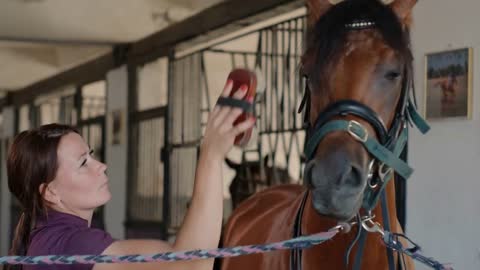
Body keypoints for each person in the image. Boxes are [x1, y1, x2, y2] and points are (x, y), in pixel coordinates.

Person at [7, 80, 255, 270]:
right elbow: (189, 265)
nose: (101, 165)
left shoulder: (48, 234)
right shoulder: (70, 244)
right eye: (83, 162)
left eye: (91, 154)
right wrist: (210, 156)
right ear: (50, 191)